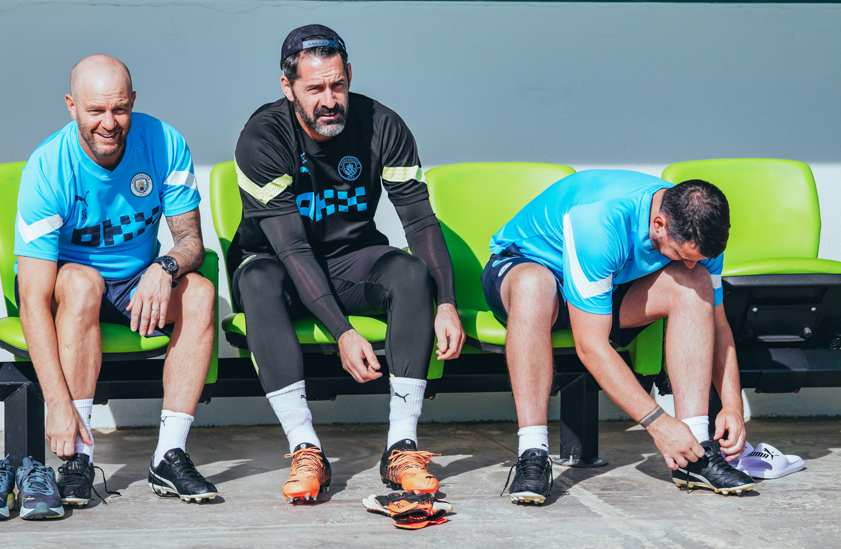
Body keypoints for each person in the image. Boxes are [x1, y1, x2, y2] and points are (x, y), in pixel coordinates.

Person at [230, 25, 465, 502]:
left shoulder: (382, 124)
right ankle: (305, 449)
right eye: (314, 87)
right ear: (287, 87)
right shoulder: (262, 137)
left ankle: (401, 447)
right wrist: (341, 330)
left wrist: (447, 302)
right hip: (279, 263)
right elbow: (293, 249)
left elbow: (419, 221)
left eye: (337, 84)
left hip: (350, 258)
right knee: (256, 279)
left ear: (350, 75)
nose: (329, 99)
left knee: (409, 273)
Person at [9, 54, 217, 516]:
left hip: (136, 282)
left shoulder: (163, 142)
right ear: (71, 106)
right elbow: (32, 301)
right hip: (74, 284)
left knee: (200, 292)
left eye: (119, 109)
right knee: (82, 283)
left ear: (133, 103)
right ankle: (78, 458)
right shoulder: (47, 168)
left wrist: (164, 267)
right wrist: (57, 407)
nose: (109, 123)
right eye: (95, 111)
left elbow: (190, 241)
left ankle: (169, 455)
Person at [482, 170, 755, 504]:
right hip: (527, 273)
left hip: (599, 291)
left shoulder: (698, 234)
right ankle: (532, 453)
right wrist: (659, 424)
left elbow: (719, 322)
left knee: (694, 282)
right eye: (682, 254)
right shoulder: (600, 224)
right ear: (659, 224)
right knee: (534, 286)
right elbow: (590, 346)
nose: (688, 262)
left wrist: (732, 405)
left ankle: (694, 452)